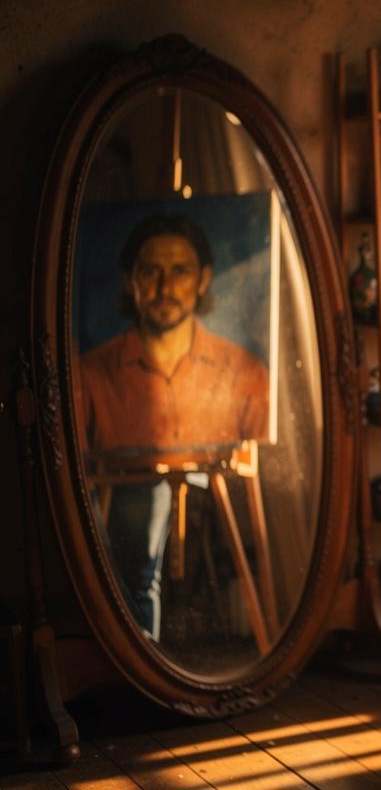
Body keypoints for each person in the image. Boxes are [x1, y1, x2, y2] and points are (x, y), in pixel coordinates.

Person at [79, 212, 268, 638]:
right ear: (130, 280)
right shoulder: (90, 374)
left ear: (203, 279)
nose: (165, 288)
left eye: (180, 271)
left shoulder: (246, 371)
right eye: (151, 271)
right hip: (126, 497)